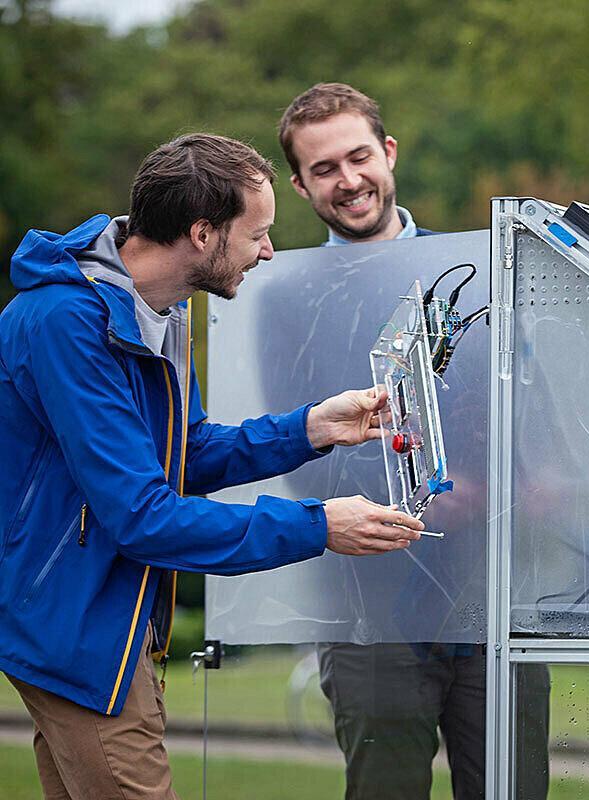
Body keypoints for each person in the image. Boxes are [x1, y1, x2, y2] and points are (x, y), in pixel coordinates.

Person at [0, 133, 427, 800]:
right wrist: (318, 525)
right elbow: (143, 518)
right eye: (256, 234)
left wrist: (312, 428)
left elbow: (186, 456)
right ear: (203, 233)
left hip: (108, 622)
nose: (268, 251)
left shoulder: (159, 313)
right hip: (76, 628)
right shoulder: (66, 322)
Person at [279, 82, 550, 800]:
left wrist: (520, 493)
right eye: (324, 169)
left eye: (358, 157)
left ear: (389, 152)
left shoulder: (487, 276)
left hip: (496, 599)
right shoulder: (286, 296)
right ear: (300, 186)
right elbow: (284, 448)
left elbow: (538, 423)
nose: (349, 181)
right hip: (370, 610)